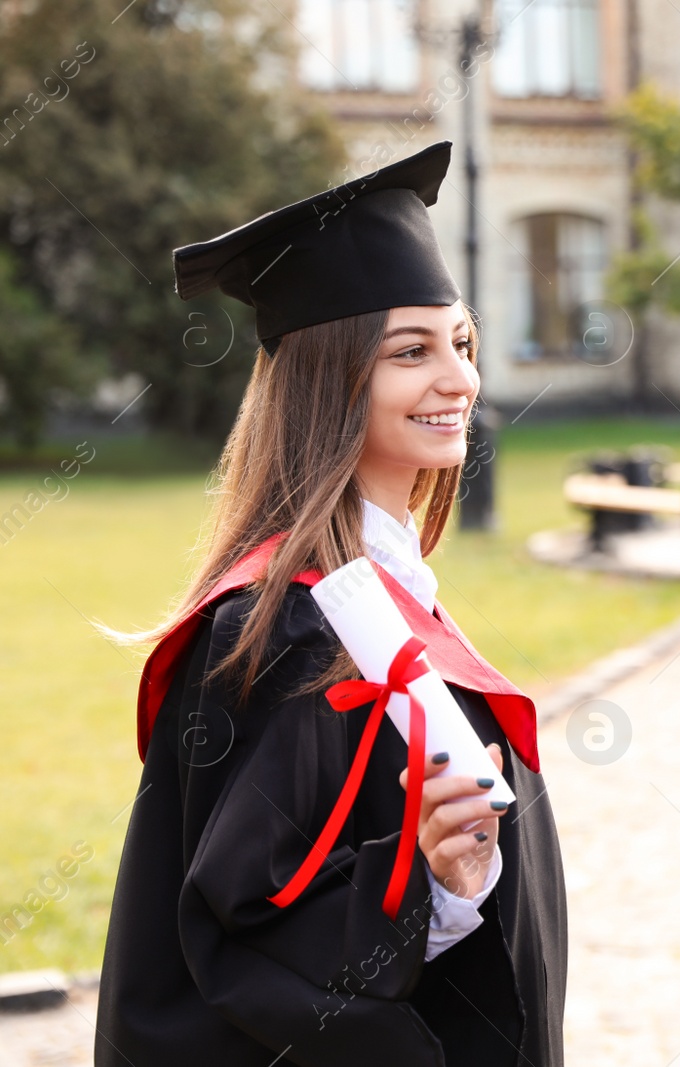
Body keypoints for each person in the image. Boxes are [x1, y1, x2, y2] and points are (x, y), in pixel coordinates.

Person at [95, 143, 566, 1067]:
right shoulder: (282, 630)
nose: (459, 380)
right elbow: (249, 942)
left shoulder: (379, 597)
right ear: (329, 379)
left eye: (462, 344)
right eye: (411, 352)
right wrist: (440, 890)